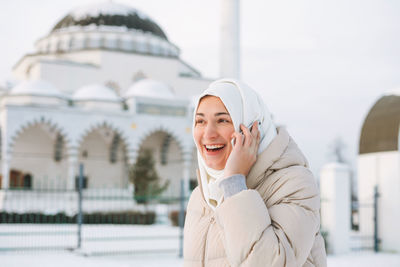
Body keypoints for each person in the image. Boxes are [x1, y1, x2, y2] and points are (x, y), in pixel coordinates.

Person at [184, 79, 327, 267]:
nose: (208, 133)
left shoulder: (295, 184)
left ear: (251, 127)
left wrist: (234, 183)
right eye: (200, 121)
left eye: (222, 120)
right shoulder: (201, 195)